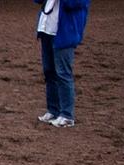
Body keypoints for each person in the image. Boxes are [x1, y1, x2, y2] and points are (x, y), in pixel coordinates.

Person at [35, 0, 90, 128]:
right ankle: (53, 110)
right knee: (49, 72)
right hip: (47, 29)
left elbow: (75, 4)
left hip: (64, 32)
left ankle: (67, 115)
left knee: (63, 73)